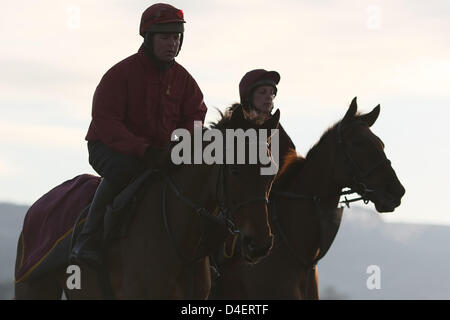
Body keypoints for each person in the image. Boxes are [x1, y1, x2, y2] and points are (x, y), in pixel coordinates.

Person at [70, 3, 207, 267]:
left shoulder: (185, 81)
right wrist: (144, 150)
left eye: (176, 37)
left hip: (161, 151)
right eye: (165, 37)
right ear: (148, 38)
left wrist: (181, 143)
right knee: (129, 171)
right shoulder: (120, 74)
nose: (172, 44)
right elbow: (107, 122)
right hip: (110, 148)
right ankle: (89, 238)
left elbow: (197, 116)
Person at [236, 69, 295, 169]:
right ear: (248, 97)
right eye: (262, 92)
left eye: (272, 93)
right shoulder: (233, 127)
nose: (269, 97)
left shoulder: (276, 128)